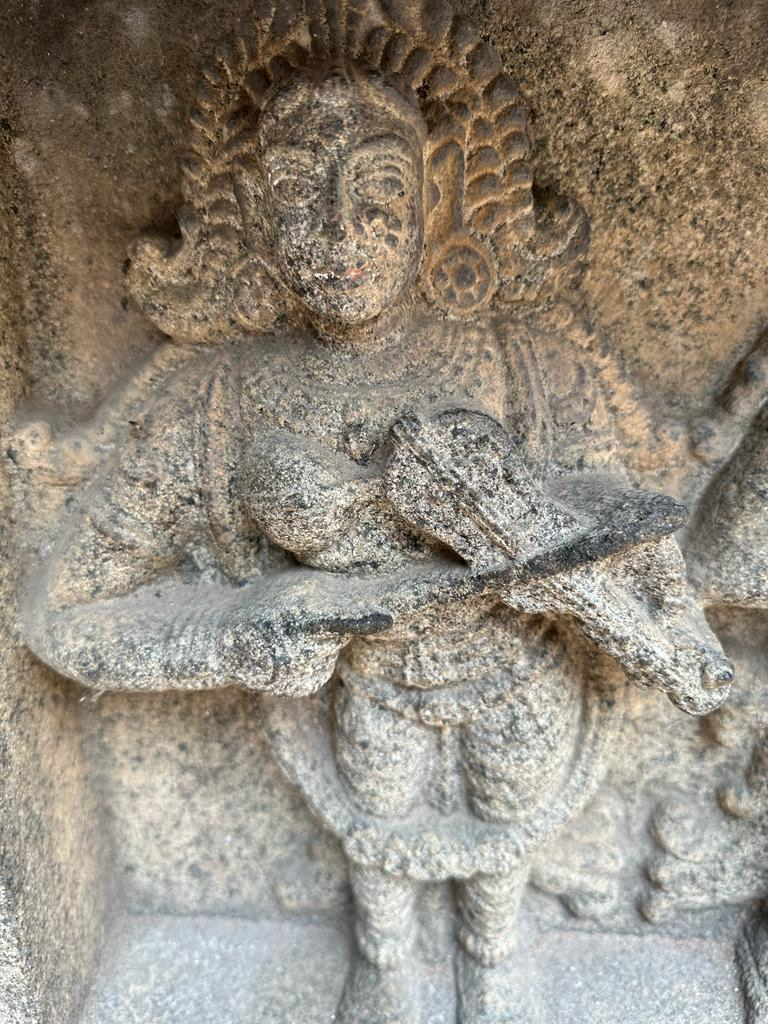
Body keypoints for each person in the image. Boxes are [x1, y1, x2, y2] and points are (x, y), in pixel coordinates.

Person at [17, 4, 733, 1022]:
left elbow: (624, 527)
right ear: (252, 213)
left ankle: (494, 952)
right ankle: (386, 956)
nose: (343, 236)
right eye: (304, 199)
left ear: (437, 198)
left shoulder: (526, 360)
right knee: (380, 845)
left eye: (381, 194)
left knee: (509, 829)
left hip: (522, 685)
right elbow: (61, 619)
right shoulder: (214, 401)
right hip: (363, 714)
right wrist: (239, 628)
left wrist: (596, 573)